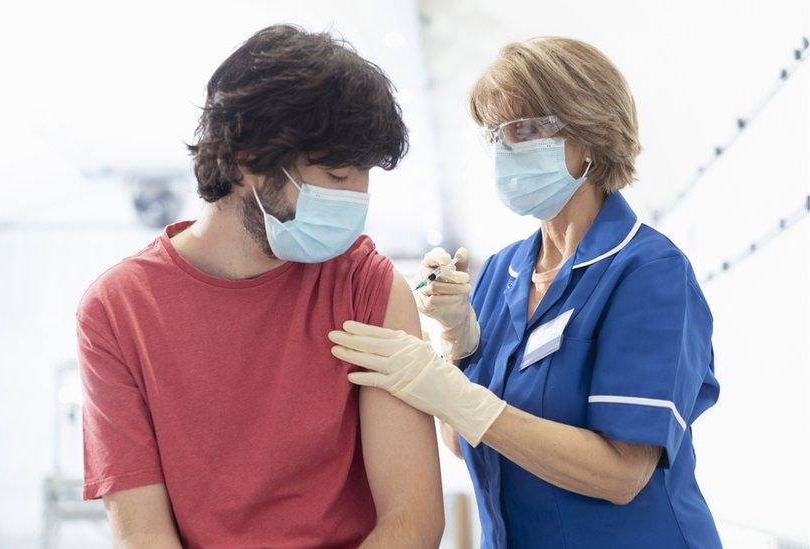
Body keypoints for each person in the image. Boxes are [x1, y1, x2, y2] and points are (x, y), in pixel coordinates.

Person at [329, 37, 721, 548]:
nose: (505, 149)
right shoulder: (500, 271)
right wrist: (456, 343)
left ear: (591, 134)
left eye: (525, 130)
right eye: (495, 135)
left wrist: (456, 394)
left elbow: (622, 475)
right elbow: (463, 440)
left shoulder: (649, 271)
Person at [75, 25, 444, 548]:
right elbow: (143, 535)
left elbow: (412, 522)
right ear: (249, 155)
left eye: (365, 176)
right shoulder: (118, 311)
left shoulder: (367, 286)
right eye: (338, 177)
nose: (357, 199)